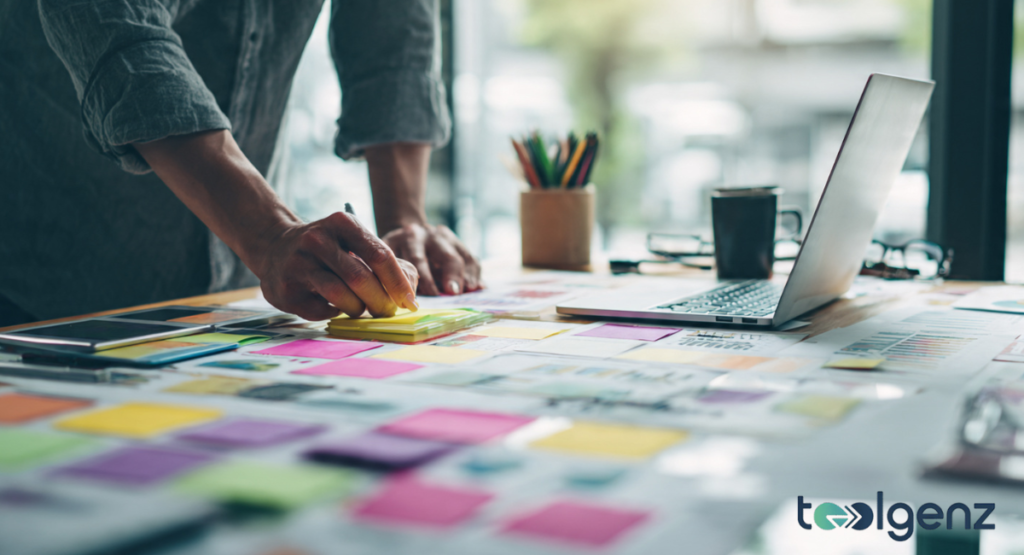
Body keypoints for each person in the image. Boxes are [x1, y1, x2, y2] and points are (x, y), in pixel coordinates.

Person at [0, 0, 481, 328]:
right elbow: (115, 25)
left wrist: (404, 222)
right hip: (38, 287)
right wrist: (270, 233)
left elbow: (393, 37)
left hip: (229, 309)